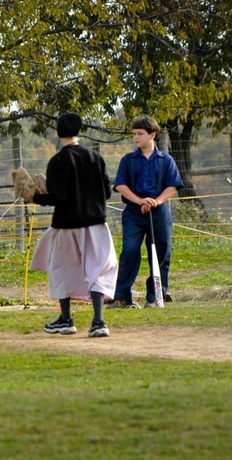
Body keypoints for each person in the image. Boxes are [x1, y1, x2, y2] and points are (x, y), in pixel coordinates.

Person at [28, 112, 118, 338]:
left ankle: (66, 319)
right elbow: (107, 192)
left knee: (62, 269)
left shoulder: (58, 161)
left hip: (66, 226)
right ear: (79, 131)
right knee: (99, 270)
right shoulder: (95, 157)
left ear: (58, 133)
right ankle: (99, 322)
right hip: (97, 225)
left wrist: (35, 197)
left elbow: (58, 197)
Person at [107, 115, 183, 309]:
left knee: (161, 253)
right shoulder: (128, 160)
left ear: (152, 135)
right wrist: (140, 200)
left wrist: (156, 201)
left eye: (140, 134)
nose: (135, 137)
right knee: (130, 251)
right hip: (133, 212)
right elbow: (121, 186)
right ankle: (122, 297)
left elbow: (173, 186)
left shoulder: (166, 160)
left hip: (159, 212)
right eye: (134, 134)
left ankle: (156, 296)